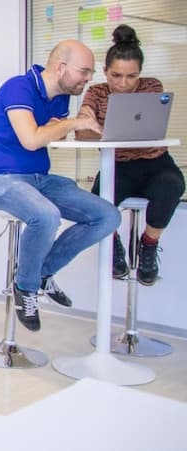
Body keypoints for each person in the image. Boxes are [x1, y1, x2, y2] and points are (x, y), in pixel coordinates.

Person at [0, 40, 121, 332]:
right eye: (85, 71)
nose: (89, 78)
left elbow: (53, 136)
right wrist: (72, 123)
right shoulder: (19, 87)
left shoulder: (62, 97)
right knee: (47, 215)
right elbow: (31, 139)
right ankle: (25, 288)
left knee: (108, 216)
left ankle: (41, 272)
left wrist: (81, 126)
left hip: (39, 179)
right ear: (61, 67)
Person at [76, 24, 185, 285]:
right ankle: (114, 246)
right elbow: (81, 133)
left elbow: (151, 127)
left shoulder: (151, 86)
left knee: (172, 186)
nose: (123, 84)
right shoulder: (96, 92)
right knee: (98, 202)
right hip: (117, 165)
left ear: (140, 74)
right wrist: (108, 130)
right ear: (105, 72)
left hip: (155, 164)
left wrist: (101, 129)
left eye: (131, 76)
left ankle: (148, 245)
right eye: (116, 76)